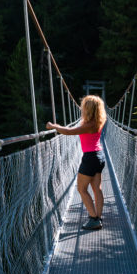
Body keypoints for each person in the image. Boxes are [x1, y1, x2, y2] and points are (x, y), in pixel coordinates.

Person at [46, 95, 107, 230]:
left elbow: (68, 131)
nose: (81, 108)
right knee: (97, 189)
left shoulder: (88, 126)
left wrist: (53, 126)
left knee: (81, 189)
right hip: (99, 156)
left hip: (90, 158)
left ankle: (94, 219)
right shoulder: (100, 121)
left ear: (88, 109)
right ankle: (98, 216)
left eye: (84, 106)